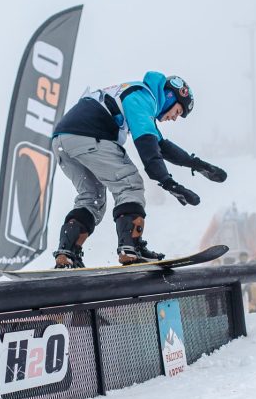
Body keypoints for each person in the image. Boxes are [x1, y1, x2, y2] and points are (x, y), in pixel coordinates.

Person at [49, 72, 227, 268]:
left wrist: (198, 165)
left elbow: (161, 146)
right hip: (91, 135)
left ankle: (67, 254)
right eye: (178, 111)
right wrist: (169, 183)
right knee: (131, 185)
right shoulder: (143, 97)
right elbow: (148, 150)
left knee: (92, 198)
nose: (175, 118)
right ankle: (130, 248)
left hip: (63, 140)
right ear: (169, 96)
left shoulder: (135, 95)